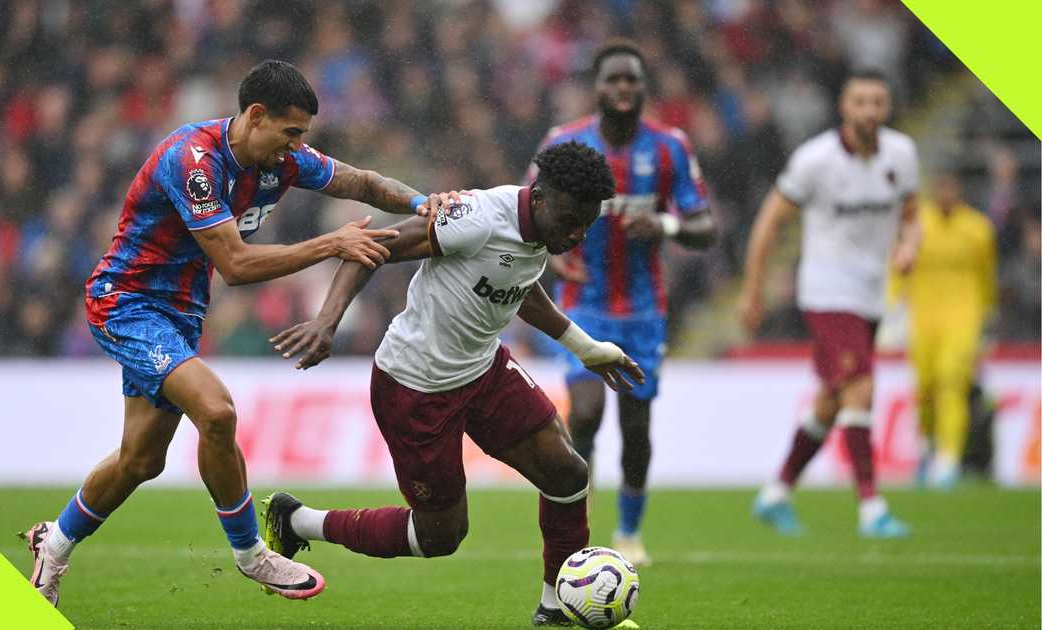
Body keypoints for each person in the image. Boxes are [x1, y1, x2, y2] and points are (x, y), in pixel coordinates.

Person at [21, 60, 455, 606]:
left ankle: (54, 544)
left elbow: (364, 182)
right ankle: (252, 554)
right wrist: (330, 243)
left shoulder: (284, 160)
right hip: (126, 302)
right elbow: (236, 264)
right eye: (290, 132)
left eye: (302, 135)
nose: (296, 145)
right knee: (217, 412)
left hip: (181, 315)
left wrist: (422, 203)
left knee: (141, 460)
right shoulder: (194, 162)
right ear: (255, 115)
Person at [264, 141, 644, 627]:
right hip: (415, 387)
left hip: (484, 370)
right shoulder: (476, 217)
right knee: (440, 536)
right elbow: (371, 247)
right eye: (571, 220)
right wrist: (327, 321)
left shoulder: (539, 231)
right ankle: (298, 521)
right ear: (540, 197)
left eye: (586, 224)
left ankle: (556, 608)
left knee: (567, 474)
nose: (577, 234)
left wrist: (584, 346)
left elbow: (519, 286)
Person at [527, 40, 716, 566]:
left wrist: (666, 225)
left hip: (642, 310)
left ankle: (630, 532)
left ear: (645, 87)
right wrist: (554, 262)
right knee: (586, 413)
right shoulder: (564, 143)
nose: (624, 87)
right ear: (596, 87)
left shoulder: (669, 147)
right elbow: (528, 213)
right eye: (613, 78)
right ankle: (576, 534)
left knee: (635, 426)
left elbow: (706, 226)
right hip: (581, 303)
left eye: (632, 78)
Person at [738, 68, 921, 538]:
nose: (869, 111)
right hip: (827, 290)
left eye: (877, 102)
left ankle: (776, 493)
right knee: (860, 386)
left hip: (871, 294)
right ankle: (871, 507)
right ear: (844, 106)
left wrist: (909, 244)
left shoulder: (902, 154)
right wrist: (753, 291)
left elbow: (912, 214)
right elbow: (769, 222)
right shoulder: (815, 160)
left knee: (830, 401)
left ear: (887, 107)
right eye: (860, 102)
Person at [891, 172, 996, 488]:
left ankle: (949, 458)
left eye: (951, 188)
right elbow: (899, 267)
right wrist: (893, 306)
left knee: (952, 381)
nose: (945, 194)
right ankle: (927, 446)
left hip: (963, 316)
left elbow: (986, 275)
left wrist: (988, 315)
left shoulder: (977, 229)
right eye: (941, 188)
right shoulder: (917, 225)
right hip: (923, 316)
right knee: (925, 386)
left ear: (958, 191)